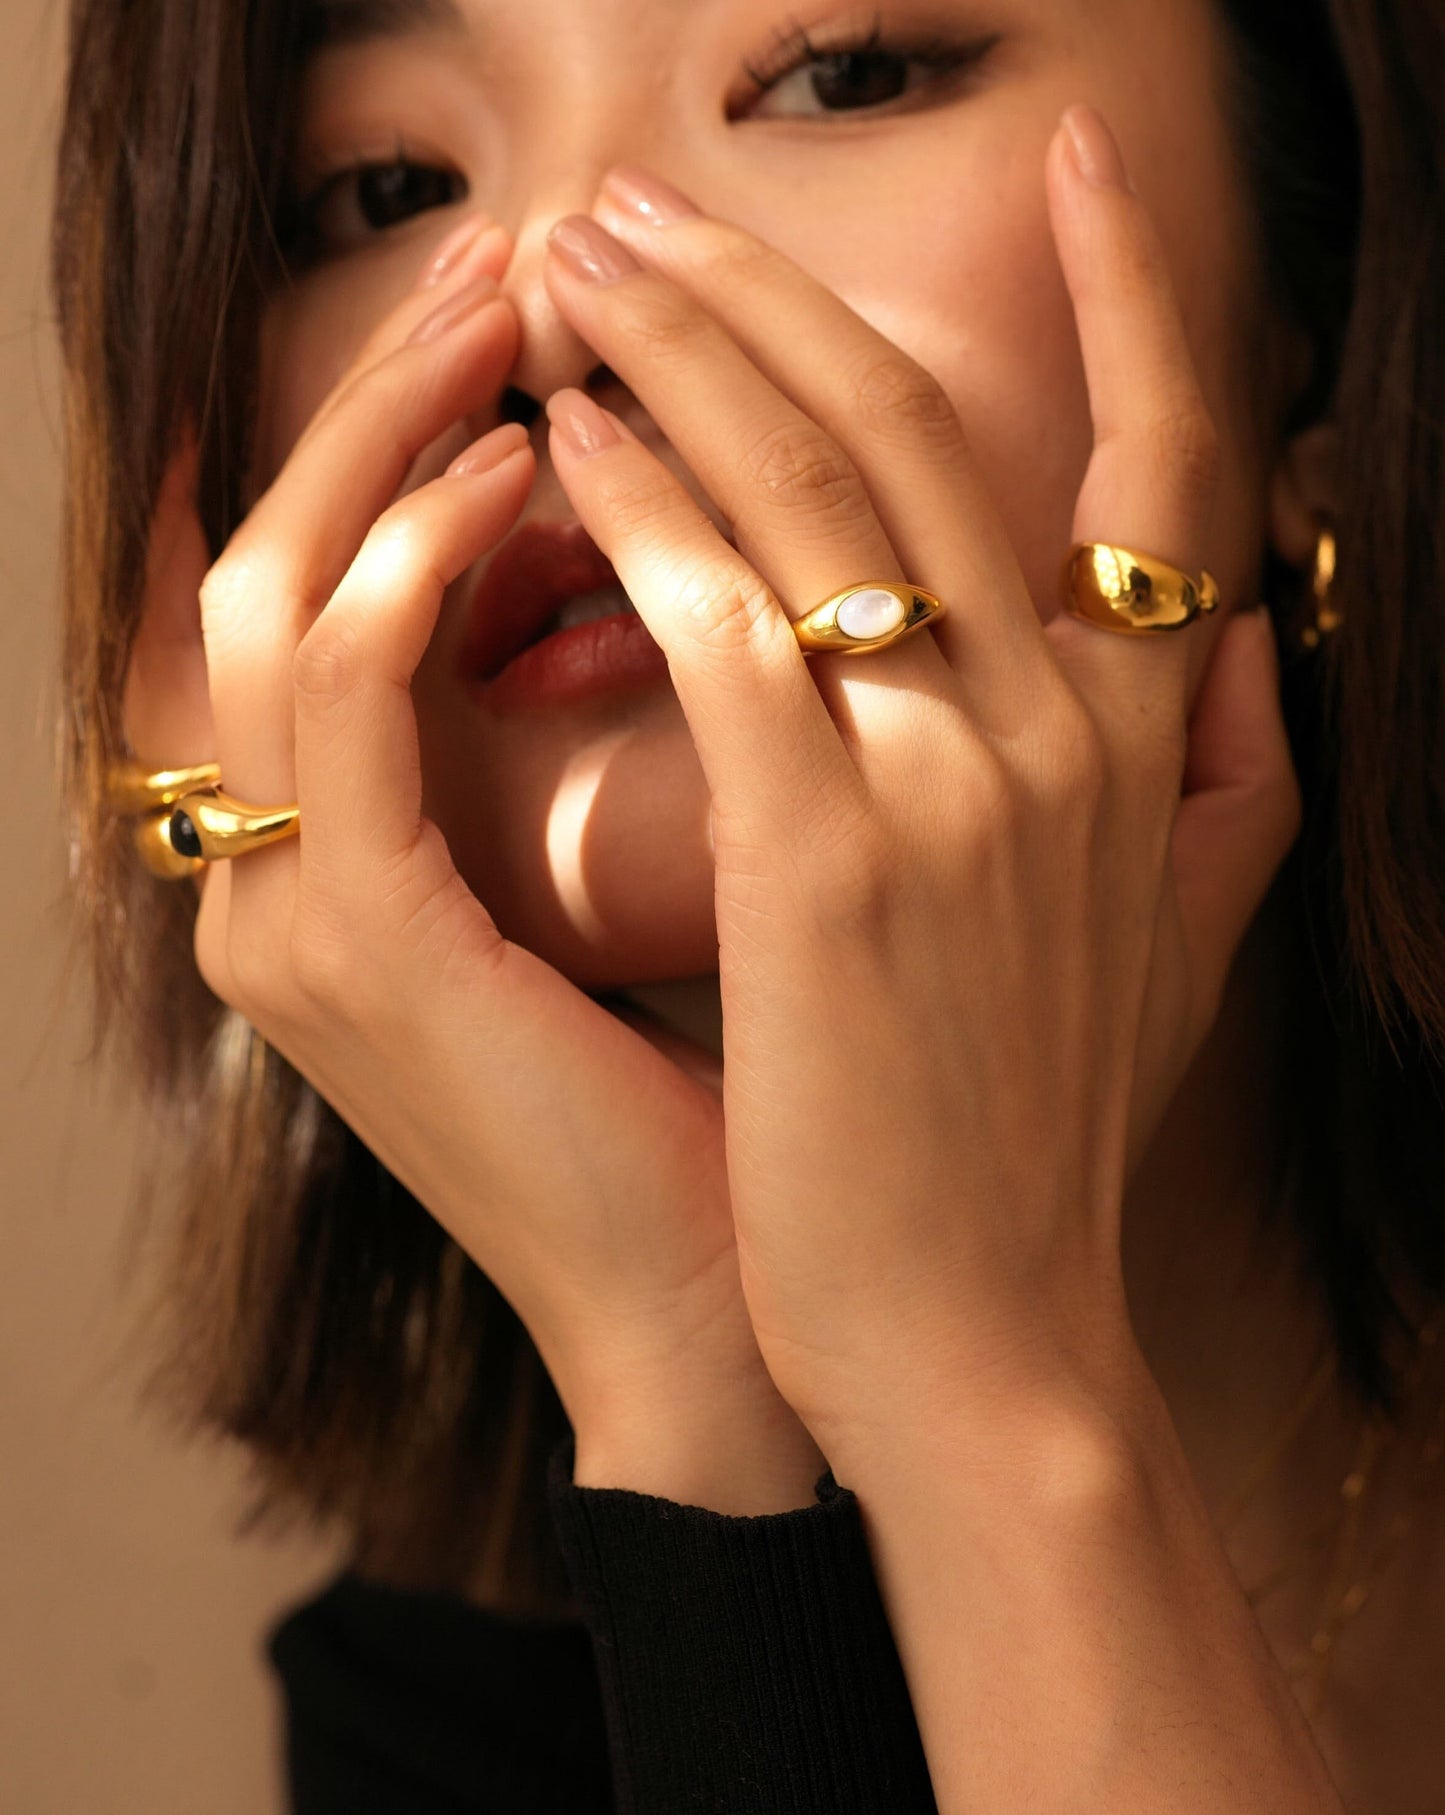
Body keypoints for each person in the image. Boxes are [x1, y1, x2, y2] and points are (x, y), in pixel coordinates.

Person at [48, 0, 1445, 1807]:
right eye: (383, 184)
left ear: (1317, 321)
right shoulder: (440, 1731)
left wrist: (989, 1384)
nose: (550, 301)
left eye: (842, 73)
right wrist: (703, 1408)